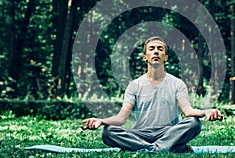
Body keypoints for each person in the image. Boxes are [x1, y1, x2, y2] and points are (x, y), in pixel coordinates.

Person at [81, 36, 223, 153]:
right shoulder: (134, 85)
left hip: (168, 133)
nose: (156, 52)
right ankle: (162, 148)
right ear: (145, 57)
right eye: (152, 49)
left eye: (160, 49)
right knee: (108, 132)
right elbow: (121, 118)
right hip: (140, 134)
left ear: (165, 57)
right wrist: (101, 121)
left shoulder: (177, 83)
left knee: (194, 123)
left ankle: (152, 148)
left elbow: (188, 111)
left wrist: (206, 112)